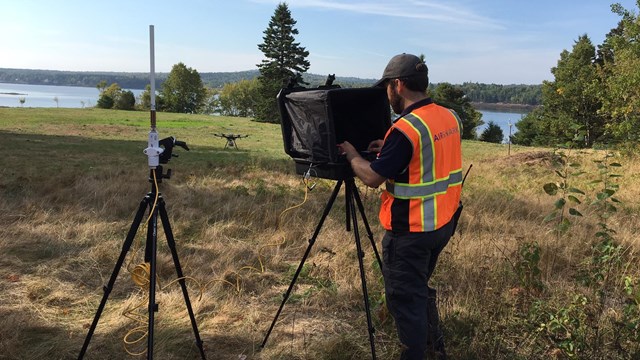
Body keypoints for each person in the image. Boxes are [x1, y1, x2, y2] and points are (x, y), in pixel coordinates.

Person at [338, 53, 463, 360]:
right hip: (443, 222)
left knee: (404, 300)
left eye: (388, 88)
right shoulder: (449, 116)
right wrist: (392, 150)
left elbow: (371, 177)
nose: (387, 95)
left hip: (411, 231)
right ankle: (437, 350)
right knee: (418, 289)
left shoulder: (406, 129)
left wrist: (354, 155)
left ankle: (416, 354)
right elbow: (427, 157)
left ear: (398, 85)